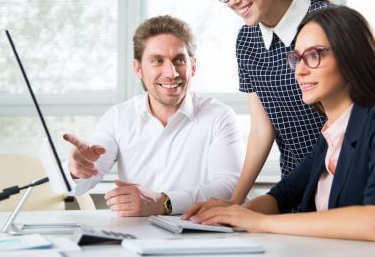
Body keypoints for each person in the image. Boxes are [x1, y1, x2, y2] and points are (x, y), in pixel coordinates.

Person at [184, 0, 375, 217]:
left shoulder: (328, 25)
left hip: (355, 178)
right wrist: (235, 204)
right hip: (303, 183)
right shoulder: (247, 41)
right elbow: (262, 128)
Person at [63, 15, 244, 217]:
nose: (171, 73)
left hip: (199, 234)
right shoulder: (118, 118)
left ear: (193, 66)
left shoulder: (219, 116)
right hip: (134, 237)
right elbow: (78, 187)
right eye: (157, 61)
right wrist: (77, 170)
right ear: (138, 68)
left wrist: (164, 202)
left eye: (179, 60)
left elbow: (230, 188)